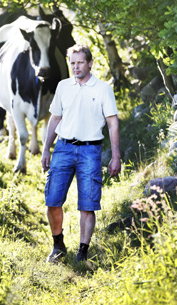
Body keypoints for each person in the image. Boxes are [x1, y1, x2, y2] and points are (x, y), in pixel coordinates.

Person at [41, 44, 121, 263]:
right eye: (72, 63)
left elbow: (112, 124)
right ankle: (58, 245)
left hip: (90, 150)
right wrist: (46, 149)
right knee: (53, 200)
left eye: (80, 63)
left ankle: (82, 252)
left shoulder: (103, 89)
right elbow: (55, 119)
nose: (76, 67)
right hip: (63, 148)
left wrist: (116, 156)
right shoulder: (63, 86)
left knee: (88, 204)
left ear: (90, 63)